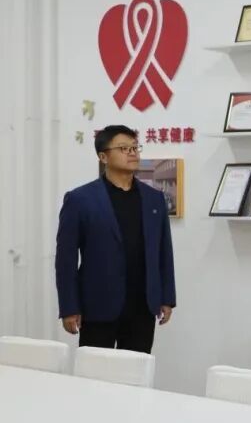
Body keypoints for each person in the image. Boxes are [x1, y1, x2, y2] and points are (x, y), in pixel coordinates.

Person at [55, 125, 175, 353]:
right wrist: (69, 307)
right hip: (98, 305)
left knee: (136, 370)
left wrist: (167, 297)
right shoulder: (80, 199)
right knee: (95, 371)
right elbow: (66, 259)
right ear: (103, 157)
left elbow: (163, 251)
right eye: (123, 148)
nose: (132, 153)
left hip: (143, 305)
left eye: (135, 147)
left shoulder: (154, 199)